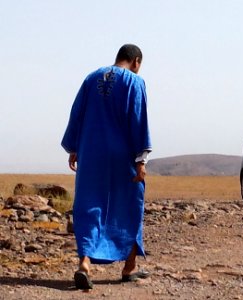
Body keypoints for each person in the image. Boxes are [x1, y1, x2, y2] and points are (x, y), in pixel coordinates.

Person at [61, 44, 152, 290]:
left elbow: (77, 113)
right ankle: (129, 266)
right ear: (136, 62)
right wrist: (141, 159)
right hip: (122, 155)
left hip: (91, 152)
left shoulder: (91, 78)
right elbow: (138, 119)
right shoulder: (134, 82)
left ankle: (85, 264)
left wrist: (74, 147)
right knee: (131, 202)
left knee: (89, 204)